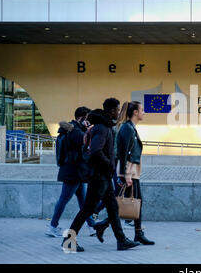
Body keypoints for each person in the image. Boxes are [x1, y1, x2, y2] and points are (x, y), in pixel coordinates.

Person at [63, 98, 140, 252]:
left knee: (112, 208)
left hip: (102, 175)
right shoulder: (103, 128)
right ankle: (68, 241)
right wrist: (110, 164)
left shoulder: (103, 126)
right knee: (87, 209)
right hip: (99, 176)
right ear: (111, 111)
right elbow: (96, 151)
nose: (118, 113)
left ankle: (121, 240)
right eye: (117, 110)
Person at [46, 107, 95, 237]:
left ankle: (92, 226)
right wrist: (88, 129)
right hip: (73, 171)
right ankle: (52, 226)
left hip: (76, 171)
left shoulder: (74, 129)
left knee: (83, 201)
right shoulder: (75, 131)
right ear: (82, 118)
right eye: (88, 118)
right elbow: (85, 142)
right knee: (64, 199)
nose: (89, 121)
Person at [115, 101, 155, 245]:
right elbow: (123, 152)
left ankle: (138, 233)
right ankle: (104, 225)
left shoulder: (131, 127)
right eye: (142, 110)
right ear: (135, 113)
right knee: (123, 203)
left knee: (136, 202)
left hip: (132, 171)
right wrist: (125, 174)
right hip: (128, 171)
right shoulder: (127, 128)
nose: (144, 112)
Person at [93, 101, 135, 228]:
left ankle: (118, 226)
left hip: (115, 162)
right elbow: (100, 150)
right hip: (116, 163)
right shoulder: (121, 127)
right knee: (117, 192)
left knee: (115, 193)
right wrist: (111, 163)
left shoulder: (118, 126)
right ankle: (97, 213)